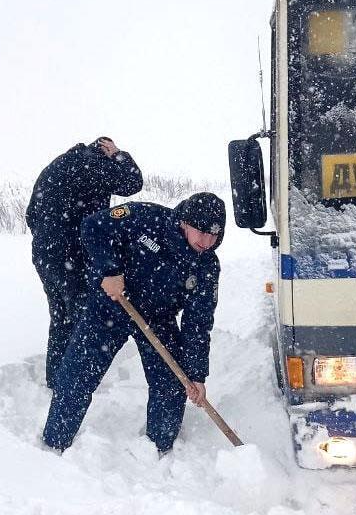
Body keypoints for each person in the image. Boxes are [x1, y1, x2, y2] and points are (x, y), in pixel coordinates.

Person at [42, 192, 225, 456]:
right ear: (185, 222)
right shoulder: (147, 218)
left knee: (173, 382)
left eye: (214, 236)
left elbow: (198, 322)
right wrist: (110, 270)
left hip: (157, 319)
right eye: (201, 232)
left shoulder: (206, 265)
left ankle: (160, 449)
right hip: (111, 305)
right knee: (78, 374)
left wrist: (196, 374)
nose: (207, 242)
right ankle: (54, 442)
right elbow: (94, 226)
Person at [26, 138, 143, 388]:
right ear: (104, 150)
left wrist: (50, 241)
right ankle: (73, 383)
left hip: (45, 255)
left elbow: (31, 215)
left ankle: (56, 379)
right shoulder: (94, 164)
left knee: (60, 317)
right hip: (69, 257)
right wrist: (119, 154)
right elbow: (133, 182)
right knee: (81, 319)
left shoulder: (57, 166)